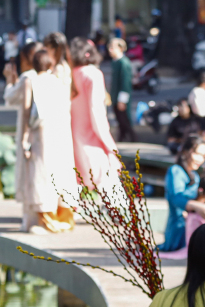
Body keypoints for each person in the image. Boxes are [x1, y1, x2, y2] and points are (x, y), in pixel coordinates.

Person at [16, 49, 77, 234]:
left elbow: (27, 111)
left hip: (40, 134)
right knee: (56, 173)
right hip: (58, 133)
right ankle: (59, 216)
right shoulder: (58, 82)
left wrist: (24, 137)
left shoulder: (31, 81)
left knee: (39, 173)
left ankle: (43, 219)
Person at [68, 37, 121, 192]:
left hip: (73, 135)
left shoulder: (70, 74)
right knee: (106, 181)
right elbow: (96, 111)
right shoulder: (93, 74)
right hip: (92, 136)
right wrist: (108, 142)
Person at [158, 134, 205, 253]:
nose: (200, 160)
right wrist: (195, 205)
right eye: (197, 154)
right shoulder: (175, 171)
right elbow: (176, 199)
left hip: (191, 227)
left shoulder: (196, 177)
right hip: (177, 229)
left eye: (203, 156)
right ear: (186, 151)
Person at [108, 37, 135, 142]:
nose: (110, 50)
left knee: (125, 121)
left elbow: (126, 82)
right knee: (120, 121)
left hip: (121, 98)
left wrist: (122, 100)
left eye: (112, 47)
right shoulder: (115, 62)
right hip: (115, 96)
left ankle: (133, 140)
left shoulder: (124, 63)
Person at [3, 40, 41, 108]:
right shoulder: (48, 74)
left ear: (25, 59)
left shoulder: (27, 76)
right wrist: (17, 81)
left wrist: (9, 79)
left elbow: (10, 98)